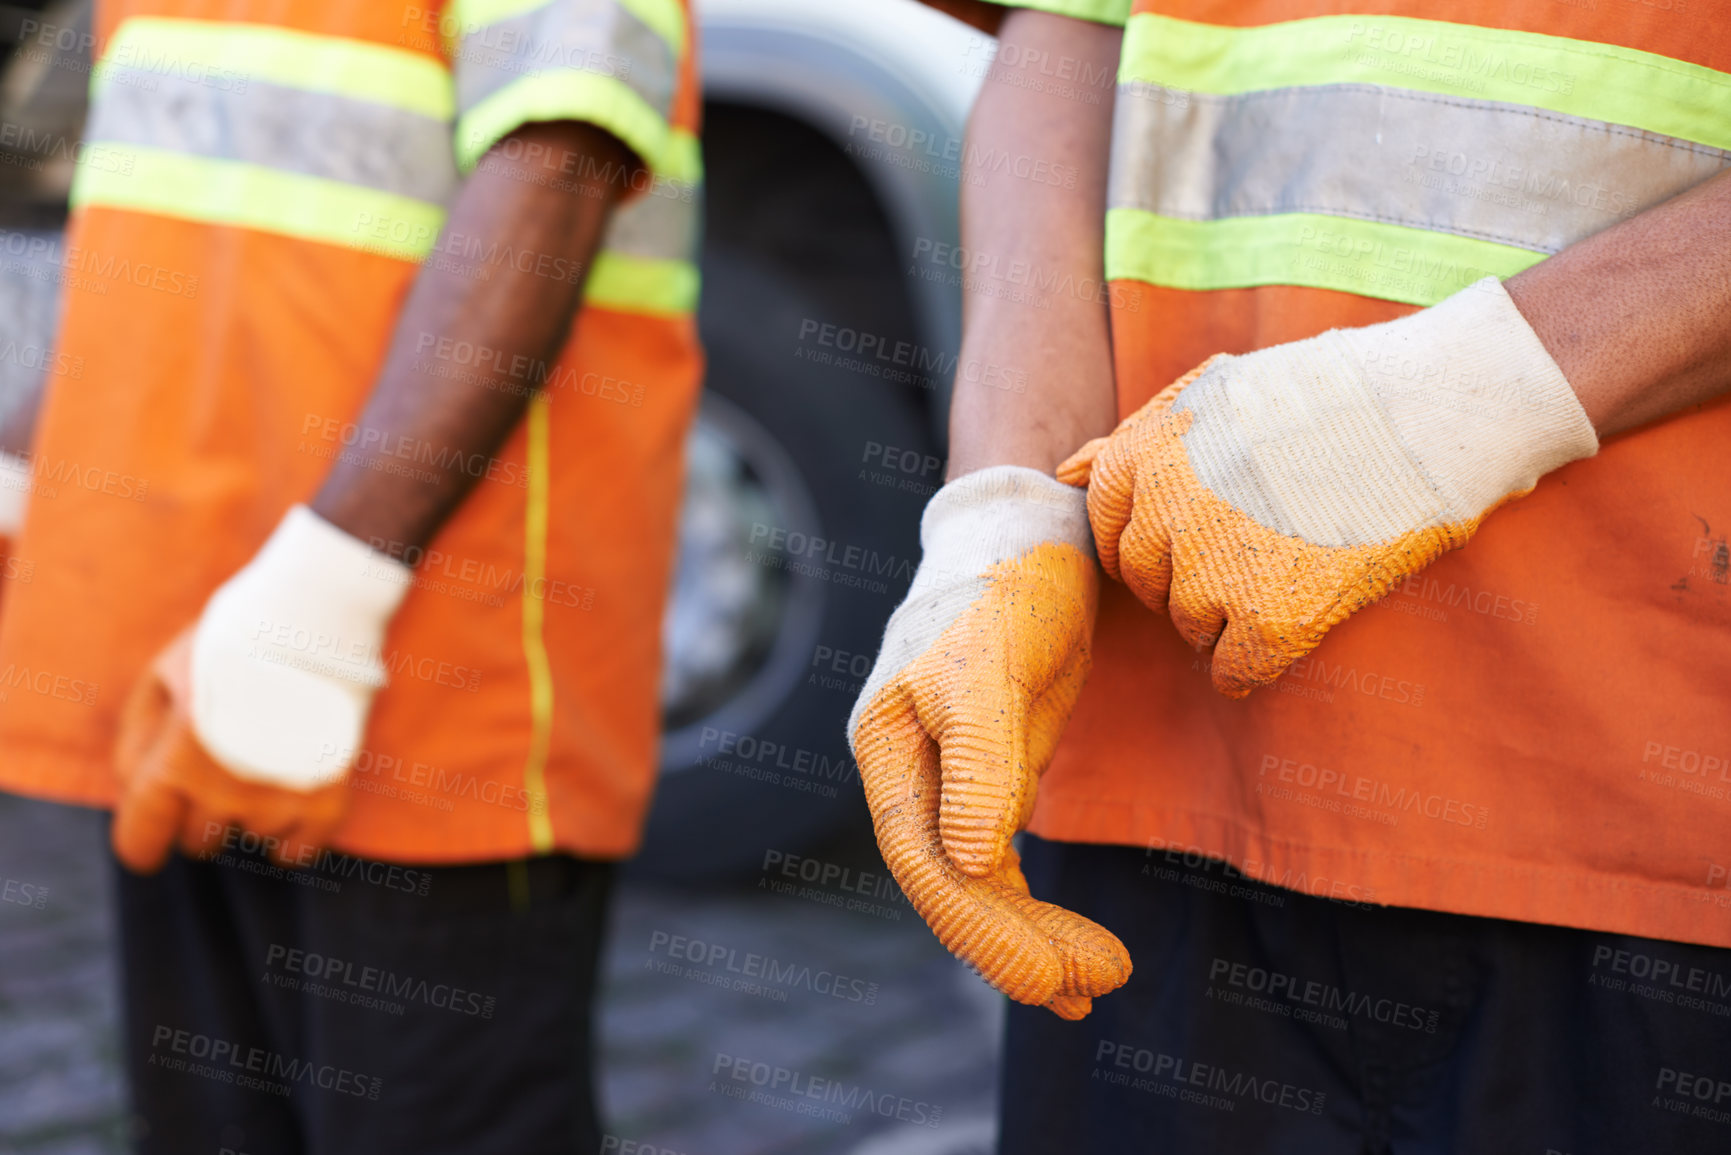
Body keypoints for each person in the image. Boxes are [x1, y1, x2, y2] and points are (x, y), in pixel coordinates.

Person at [851, 1, 1731, 1150]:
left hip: (1642, 810)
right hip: (1163, 768)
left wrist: (1453, 401)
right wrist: (1004, 511)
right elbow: (1061, 31)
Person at [0, 0, 703, 1149]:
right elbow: (158, 212)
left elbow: (558, 163)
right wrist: (24, 478)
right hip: (182, 676)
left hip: (438, 678)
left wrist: (328, 589)